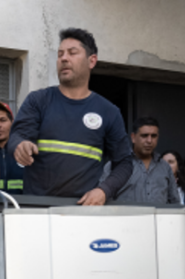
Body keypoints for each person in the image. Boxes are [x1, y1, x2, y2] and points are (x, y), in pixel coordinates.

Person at [8, 28, 132, 204]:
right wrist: (20, 145)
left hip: (82, 212)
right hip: (36, 209)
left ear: (92, 61)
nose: (64, 58)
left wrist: (104, 190)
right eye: (60, 54)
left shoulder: (108, 112)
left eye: (72, 53)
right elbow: (16, 136)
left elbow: (125, 163)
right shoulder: (38, 100)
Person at [106, 116, 179, 205]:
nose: (149, 140)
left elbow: (175, 203)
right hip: (126, 218)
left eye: (153, 136)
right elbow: (104, 200)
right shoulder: (116, 165)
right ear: (133, 137)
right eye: (144, 136)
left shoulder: (165, 167)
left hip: (159, 219)